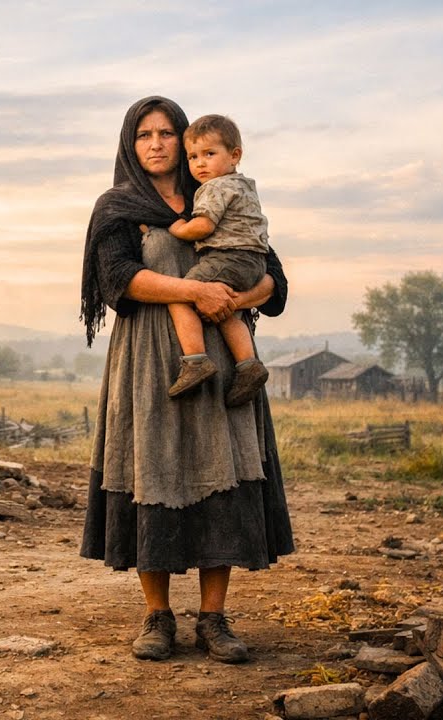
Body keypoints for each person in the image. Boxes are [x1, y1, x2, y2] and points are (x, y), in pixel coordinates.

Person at [78, 96, 294, 664]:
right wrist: (194, 290)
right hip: (149, 360)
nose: (156, 144)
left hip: (222, 354)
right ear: (130, 143)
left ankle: (214, 619)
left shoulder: (219, 194)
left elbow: (272, 275)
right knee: (154, 471)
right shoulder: (119, 206)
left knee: (218, 474)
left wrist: (235, 299)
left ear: (185, 139)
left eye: (167, 133)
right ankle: (157, 617)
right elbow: (117, 279)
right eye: (144, 134)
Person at [165, 114, 271, 407]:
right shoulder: (244, 185)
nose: (200, 163)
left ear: (235, 155)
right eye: (192, 157)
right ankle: (249, 365)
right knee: (227, 310)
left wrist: (179, 228)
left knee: (180, 294)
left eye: (209, 154)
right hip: (254, 261)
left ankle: (195, 361)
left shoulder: (215, 187)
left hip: (228, 256)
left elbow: (204, 226)